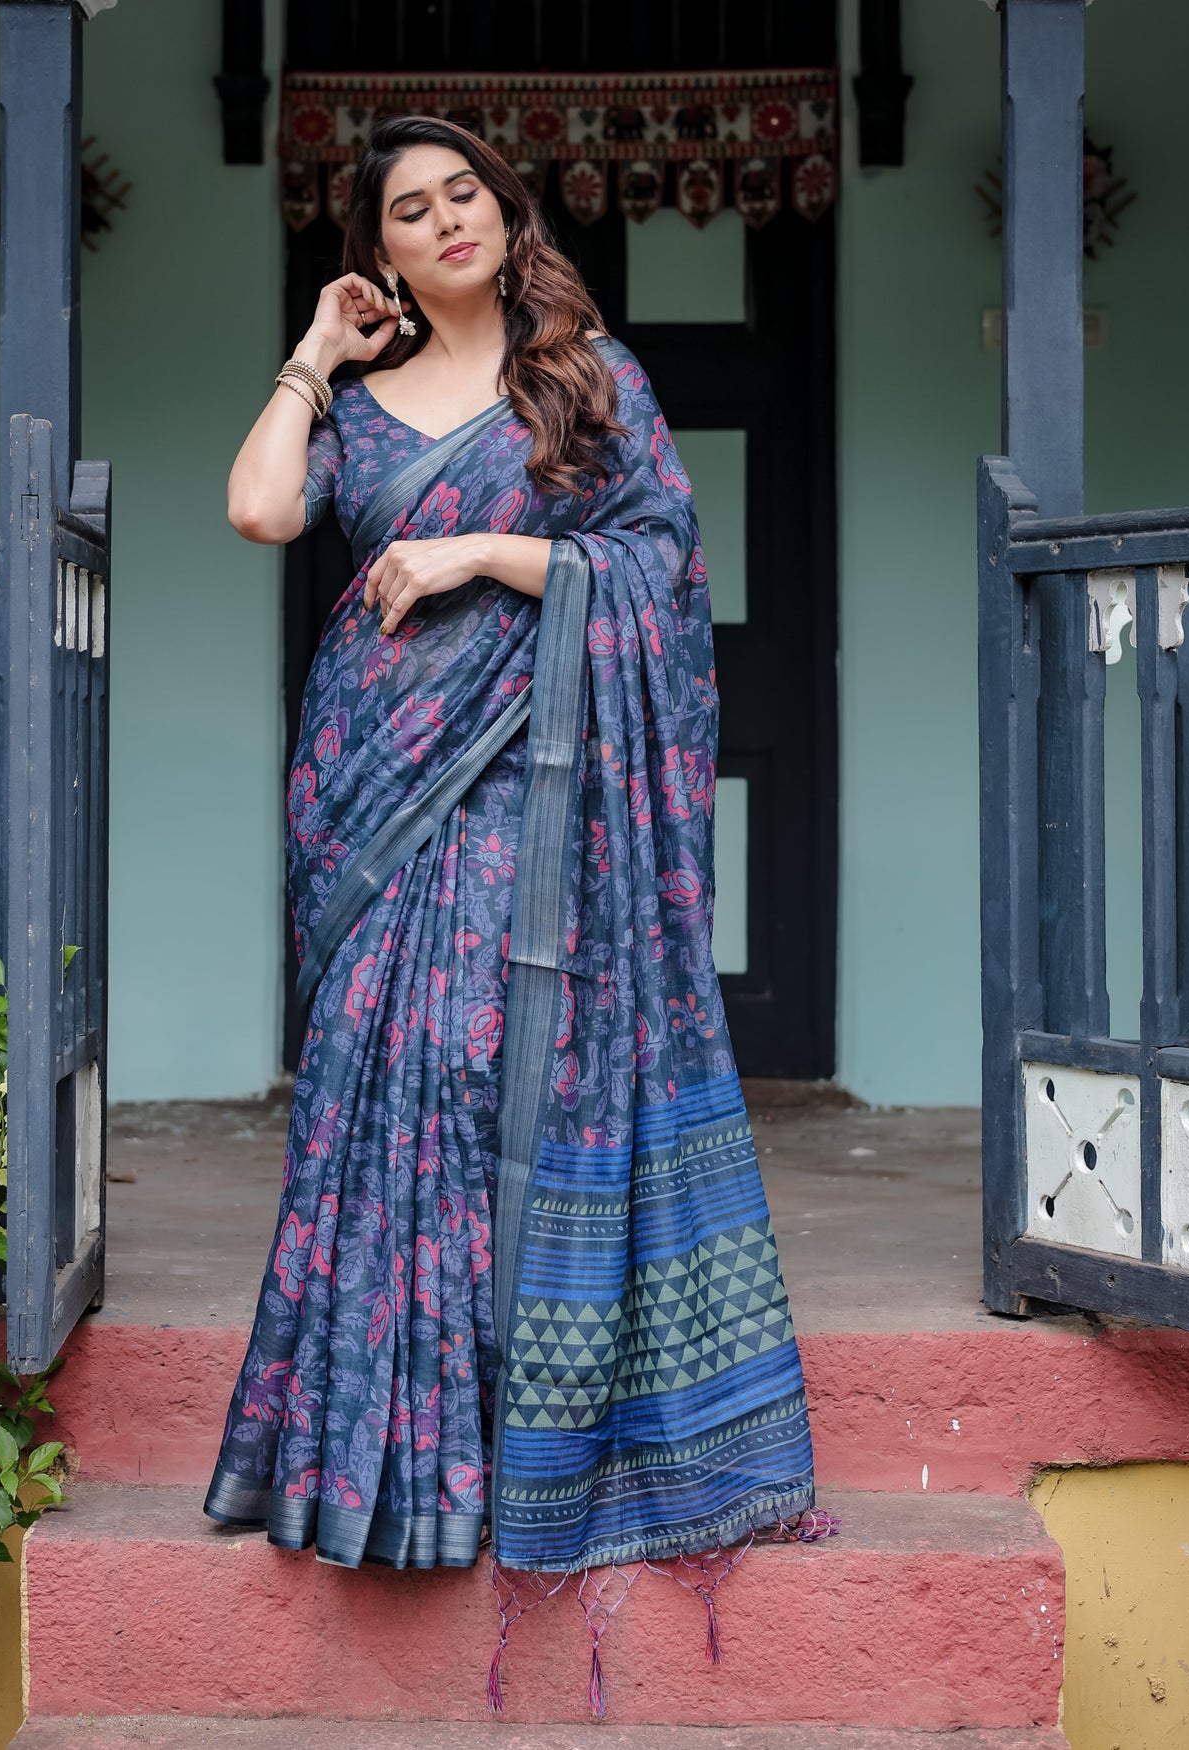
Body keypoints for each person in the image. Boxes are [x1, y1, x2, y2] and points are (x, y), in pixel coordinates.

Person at [202, 111, 835, 1713]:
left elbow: (661, 569)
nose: (446, 222)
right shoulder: (350, 405)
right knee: (375, 1083)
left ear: (504, 209)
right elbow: (261, 511)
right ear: (382, 255)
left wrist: (484, 545)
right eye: (408, 212)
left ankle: (505, 1450)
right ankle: (376, 1468)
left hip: (530, 786)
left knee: (497, 1079)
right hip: (370, 783)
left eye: (464, 193)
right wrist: (308, 352)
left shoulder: (585, 382)